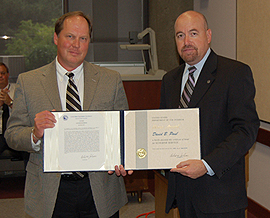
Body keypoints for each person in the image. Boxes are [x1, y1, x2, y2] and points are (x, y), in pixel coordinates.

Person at [5, 11, 130, 218]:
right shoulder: (29, 82)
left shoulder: (110, 80)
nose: (76, 45)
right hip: (50, 190)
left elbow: (123, 130)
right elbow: (12, 134)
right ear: (56, 38)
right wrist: (35, 133)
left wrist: (124, 158)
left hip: (99, 188)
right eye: (70, 36)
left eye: (83, 38)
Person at [160, 11, 259, 218]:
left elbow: (246, 130)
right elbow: (163, 129)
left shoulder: (234, 73)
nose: (186, 41)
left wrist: (207, 165)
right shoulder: (170, 80)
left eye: (193, 33)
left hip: (220, 195)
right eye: (180, 35)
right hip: (184, 194)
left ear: (208, 35)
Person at [0, 62, 15, 155]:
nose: (0, 76)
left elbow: (24, 112)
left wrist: (10, 102)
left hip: (14, 132)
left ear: (8, 75)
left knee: (28, 151)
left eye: (3, 73)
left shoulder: (18, 89)